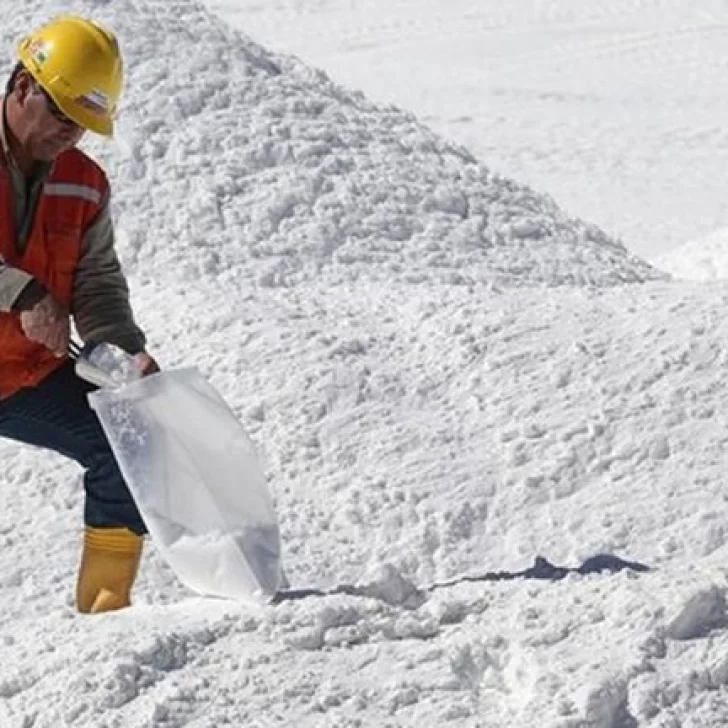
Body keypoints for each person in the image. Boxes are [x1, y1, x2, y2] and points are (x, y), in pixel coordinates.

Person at [0, 15, 158, 613]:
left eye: (85, 126)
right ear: (22, 89)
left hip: (17, 376)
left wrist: (119, 350)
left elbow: (96, 280)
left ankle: (104, 615)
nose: (72, 136)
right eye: (63, 116)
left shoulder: (85, 182)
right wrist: (21, 291)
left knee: (129, 439)